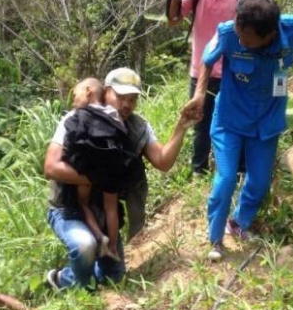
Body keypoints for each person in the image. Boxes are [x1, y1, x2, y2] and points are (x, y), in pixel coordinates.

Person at [182, 0, 293, 261]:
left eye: (248, 40)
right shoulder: (229, 32)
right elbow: (208, 61)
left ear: (268, 35)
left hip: (267, 120)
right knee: (226, 178)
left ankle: (239, 222)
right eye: (240, 33)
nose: (241, 40)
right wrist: (199, 94)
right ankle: (216, 238)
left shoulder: (289, 28)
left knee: (260, 179)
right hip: (229, 119)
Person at [44, 67, 198, 290]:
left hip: (105, 210)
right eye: (120, 97)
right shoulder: (77, 118)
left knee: (113, 277)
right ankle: (69, 279)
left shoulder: (137, 127)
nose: (126, 105)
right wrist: (100, 178)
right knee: (85, 245)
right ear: (106, 92)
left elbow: (163, 162)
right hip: (67, 207)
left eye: (133, 99)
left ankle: (73, 277)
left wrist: (181, 127)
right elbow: (50, 167)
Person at [167, 0, 250, 175]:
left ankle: (237, 170)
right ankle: (199, 170)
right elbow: (173, 19)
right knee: (199, 124)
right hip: (200, 70)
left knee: (235, 122)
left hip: (233, 72)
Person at [61, 78, 144, 262]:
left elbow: (73, 138)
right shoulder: (114, 115)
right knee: (111, 209)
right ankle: (113, 246)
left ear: (89, 91)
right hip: (112, 169)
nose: (74, 99)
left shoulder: (80, 114)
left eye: (77, 94)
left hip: (87, 169)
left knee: (83, 204)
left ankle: (100, 236)